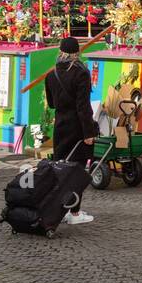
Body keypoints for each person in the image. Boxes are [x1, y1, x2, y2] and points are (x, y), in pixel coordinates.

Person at [44, 37, 99, 226]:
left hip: (60, 127)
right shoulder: (81, 73)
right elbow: (83, 107)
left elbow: (51, 104)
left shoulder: (51, 75)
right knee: (77, 171)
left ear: (60, 52)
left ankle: (59, 208)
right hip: (77, 128)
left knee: (61, 170)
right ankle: (74, 213)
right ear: (77, 52)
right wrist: (89, 133)